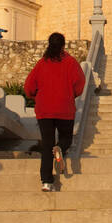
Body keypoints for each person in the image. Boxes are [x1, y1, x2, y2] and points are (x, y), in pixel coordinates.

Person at [24, 32, 86, 190]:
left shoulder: (42, 63)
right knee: (66, 138)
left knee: (46, 144)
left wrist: (34, 96)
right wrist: (70, 94)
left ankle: (47, 181)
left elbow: (29, 86)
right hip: (64, 108)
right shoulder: (71, 63)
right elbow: (80, 83)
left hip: (44, 109)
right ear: (63, 45)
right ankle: (60, 148)